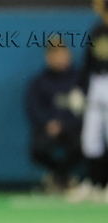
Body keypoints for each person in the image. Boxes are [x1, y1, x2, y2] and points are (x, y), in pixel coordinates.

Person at [26, 38, 84, 192]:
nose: (58, 58)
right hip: (47, 128)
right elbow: (33, 108)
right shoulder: (39, 82)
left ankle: (57, 178)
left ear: (68, 55)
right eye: (54, 54)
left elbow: (86, 110)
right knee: (37, 149)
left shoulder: (80, 80)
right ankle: (63, 177)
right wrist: (48, 123)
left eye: (61, 54)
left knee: (82, 145)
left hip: (73, 128)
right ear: (48, 57)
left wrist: (65, 124)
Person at [68, 0, 108, 202]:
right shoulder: (97, 31)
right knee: (91, 138)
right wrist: (79, 89)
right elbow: (87, 63)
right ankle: (96, 183)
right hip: (96, 84)